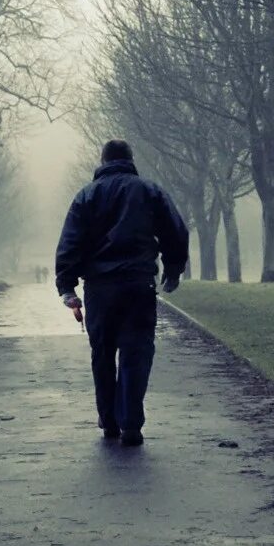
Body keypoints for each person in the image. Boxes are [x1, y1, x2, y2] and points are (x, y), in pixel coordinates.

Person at [53, 138, 189, 446]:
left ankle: (108, 420)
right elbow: (175, 230)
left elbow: (70, 242)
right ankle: (131, 422)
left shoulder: (86, 197)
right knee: (136, 351)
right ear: (130, 160)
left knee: (102, 353)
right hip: (138, 283)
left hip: (99, 288)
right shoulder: (149, 191)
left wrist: (67, 286)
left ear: (102, 162)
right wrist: (173, 267)